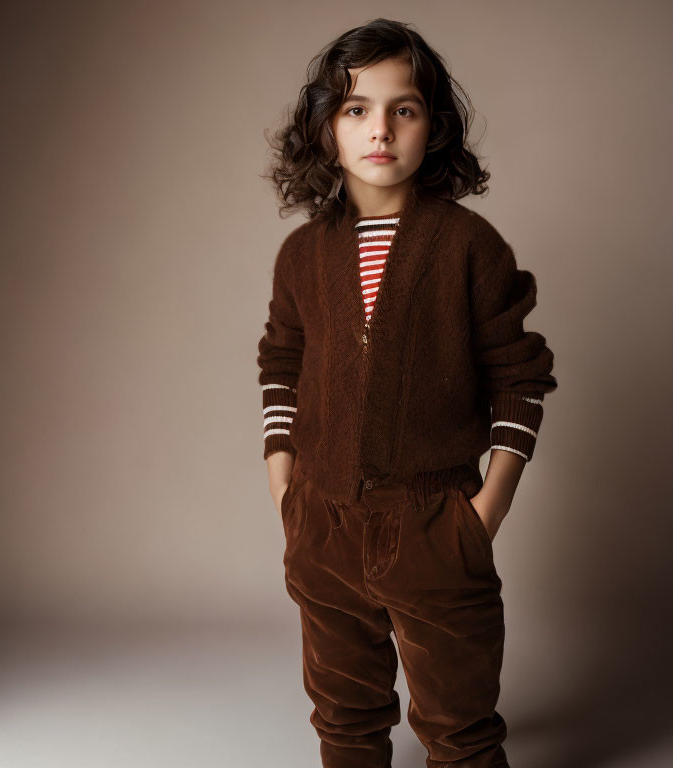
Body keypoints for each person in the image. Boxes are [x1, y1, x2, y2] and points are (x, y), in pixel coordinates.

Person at [256, 18, 557, 768]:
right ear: (325, 126)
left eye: (405, 109)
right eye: (356, 108)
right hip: (321, 524)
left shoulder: (469, 248)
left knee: (459, 728)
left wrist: (486, 510)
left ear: (435, 126)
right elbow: (280, 363)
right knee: (345, 720)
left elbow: (520, 379)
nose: (380, 129)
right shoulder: (302, 255)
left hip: (434, 525)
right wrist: (284, 480)